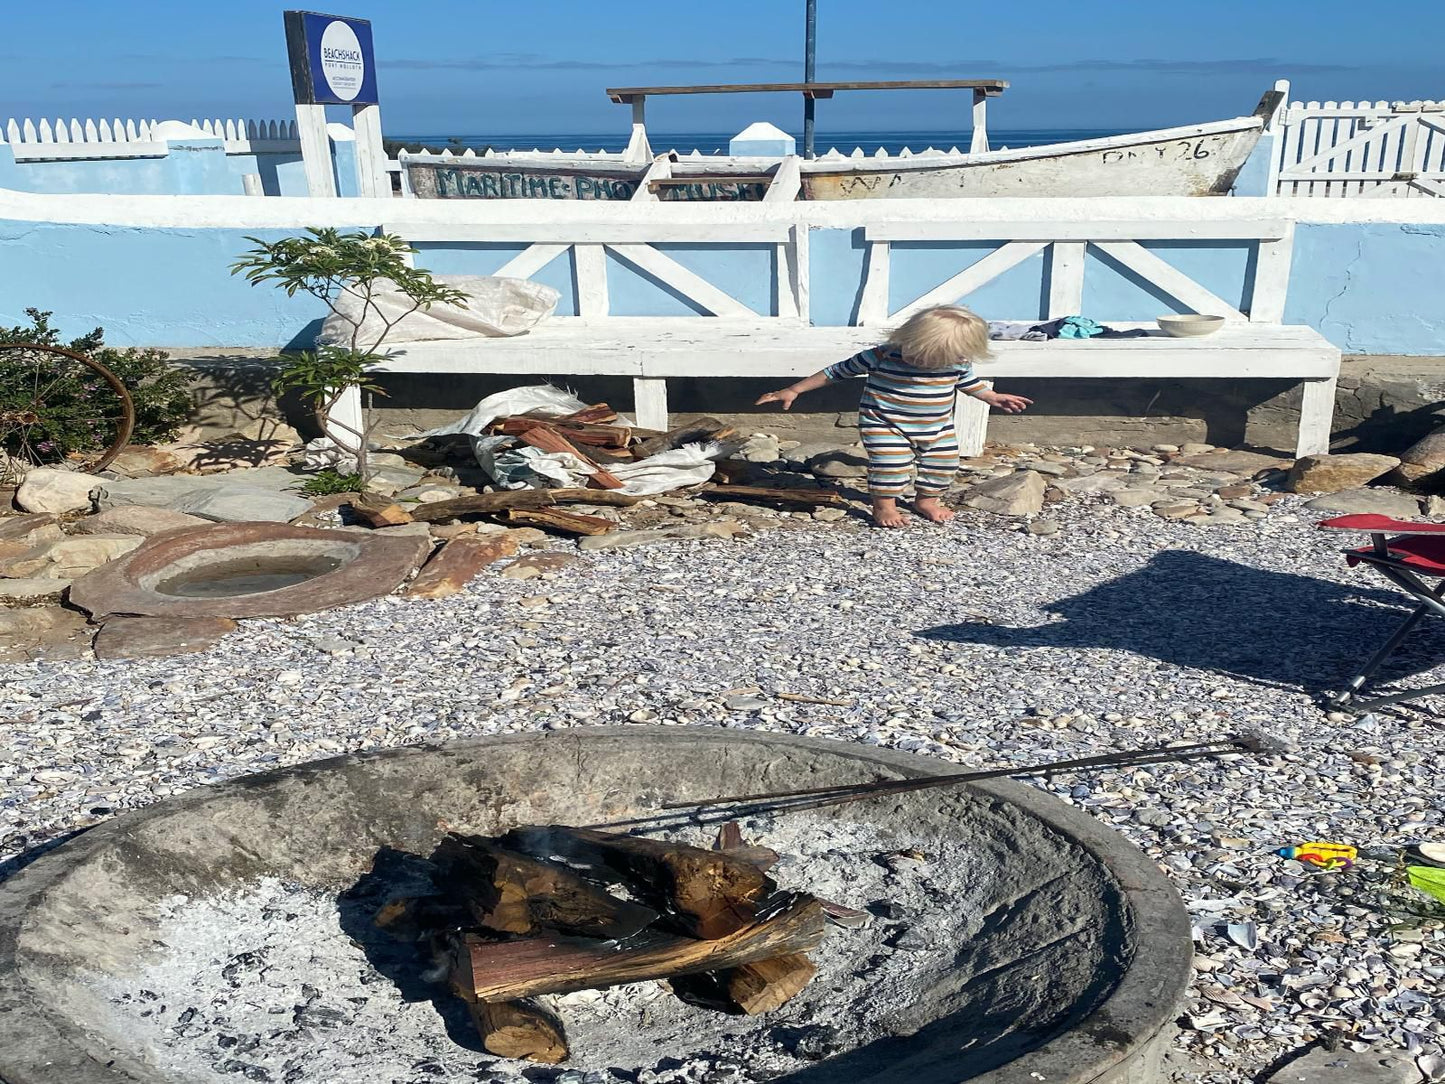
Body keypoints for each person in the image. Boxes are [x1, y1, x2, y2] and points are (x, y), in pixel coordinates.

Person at [756, 305, 1031, 528]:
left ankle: (926, 501)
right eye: (917, 354)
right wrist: (793, 389)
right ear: (905, 338)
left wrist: (991, 397)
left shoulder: (956, 361)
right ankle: (884, 506)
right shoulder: (881, 355)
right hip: (885, 423)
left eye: (932, 360)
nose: (922, 363)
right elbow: (835, 372)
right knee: (891, 465)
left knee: (943, 466)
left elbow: (968, 383)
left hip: (937, 426)